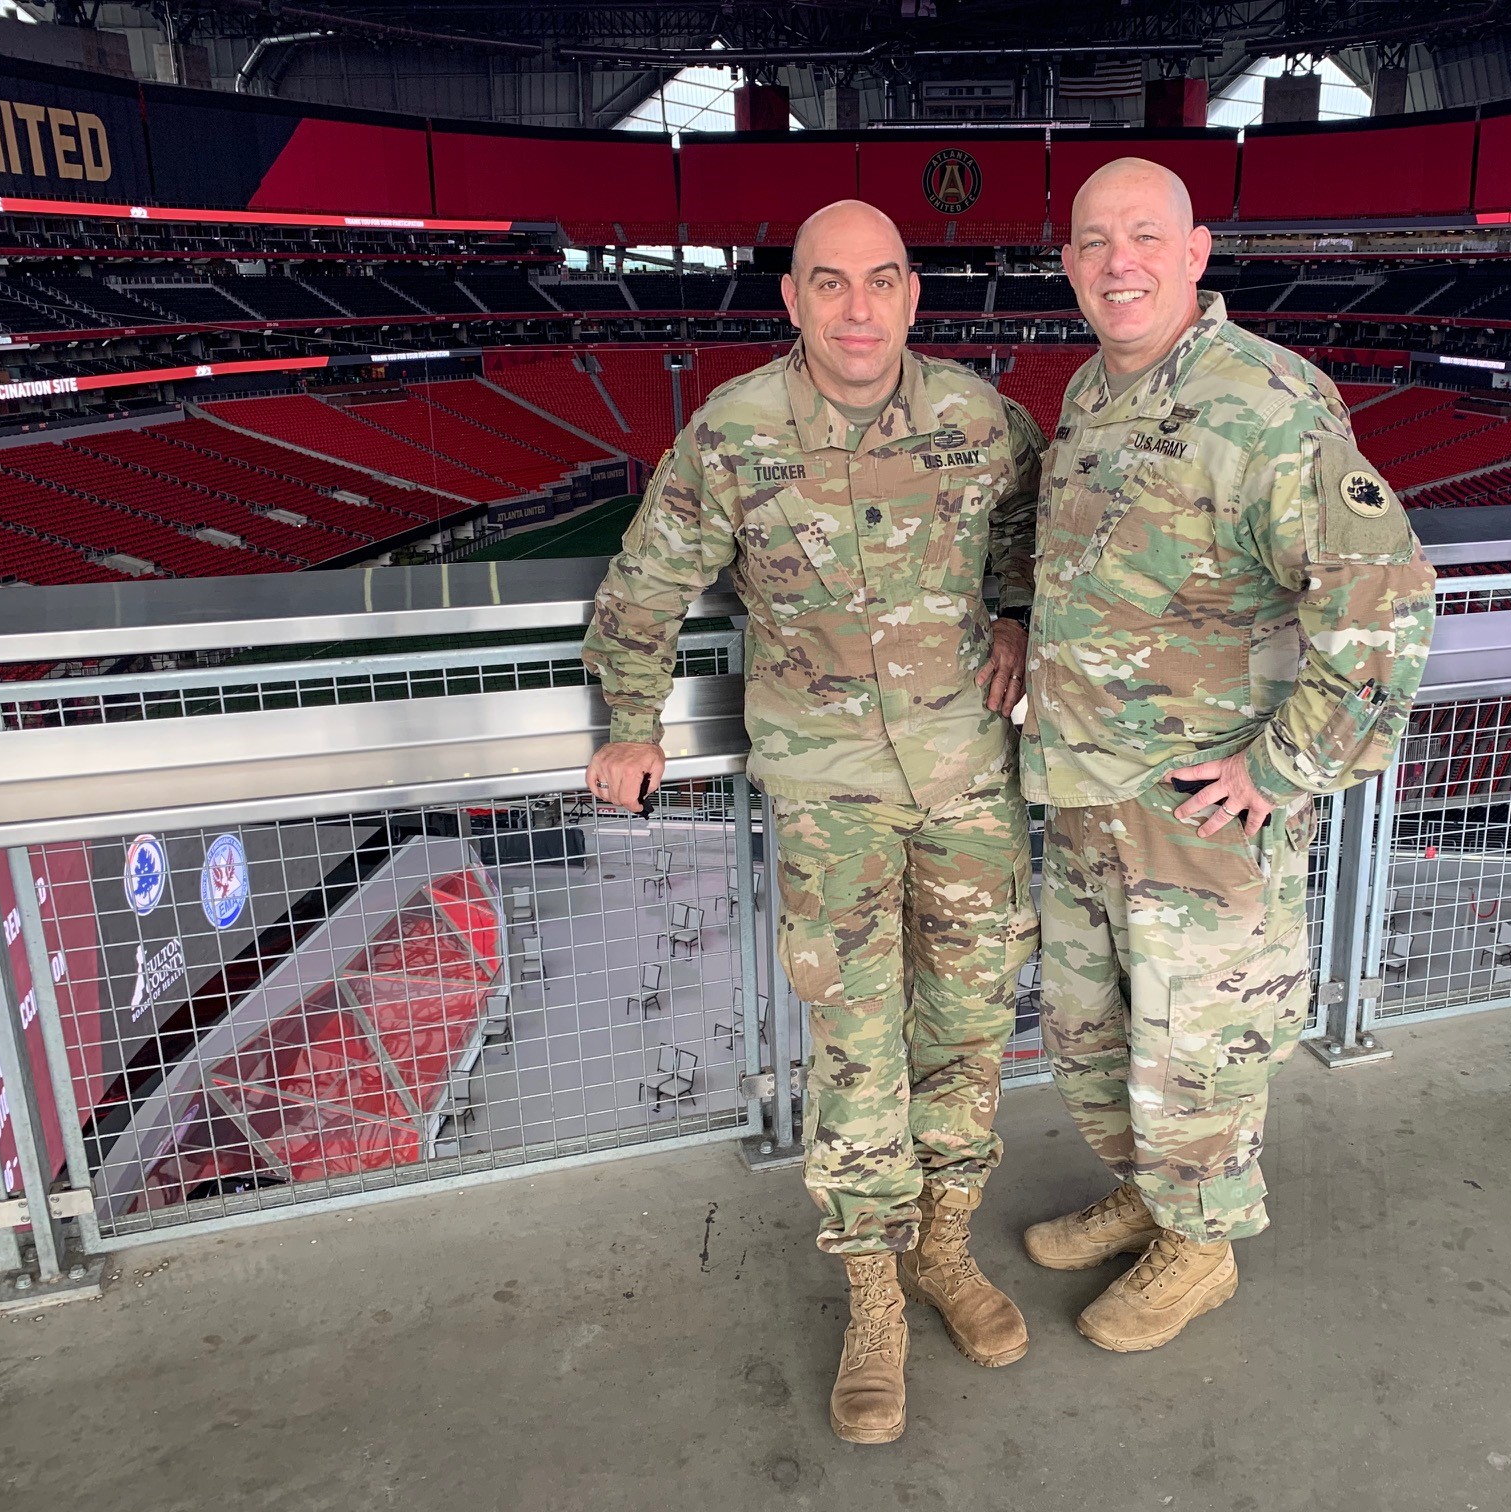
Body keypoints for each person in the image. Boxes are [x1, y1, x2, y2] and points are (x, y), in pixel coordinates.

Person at [581, 200, 1044, 1443]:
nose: (856, 308)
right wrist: (632, 719)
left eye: (880, 281)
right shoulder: (733, 432)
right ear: (791, 301)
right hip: (829, 793)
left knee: (969, 1028)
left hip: (965, 780)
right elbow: (646, 584)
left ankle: (947, 1247)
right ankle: (875, 1294)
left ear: (911, 297)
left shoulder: (978, 418)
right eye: (828, 283)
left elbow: (1036, 535)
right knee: (855, 1049)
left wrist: (1012, 614)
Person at [1020, 159, 1437, 1351]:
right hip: (1093, 797)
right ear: (1069, 266)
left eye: (1144, 237)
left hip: (1207, 819)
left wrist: (1284, 769)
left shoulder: (1266, 402)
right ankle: (1151, 1200)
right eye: (1093, 242)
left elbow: (1387, 607)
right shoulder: (1093, 394)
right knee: (1096, 1030)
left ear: (1197, 252)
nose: (1118, 264)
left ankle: (1200, 1249)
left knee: (1195, 1047)